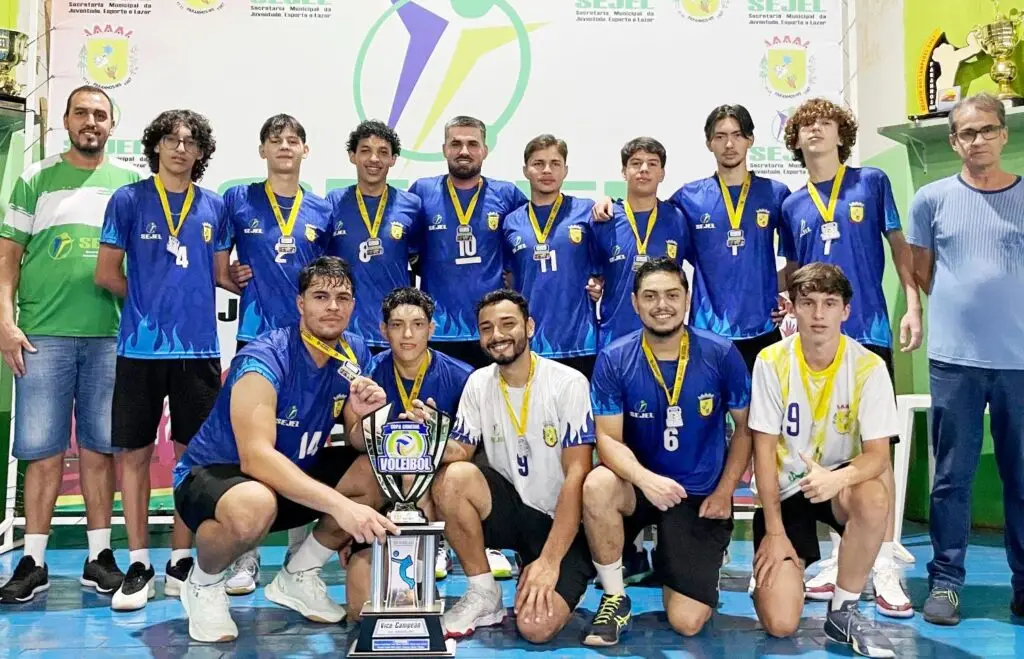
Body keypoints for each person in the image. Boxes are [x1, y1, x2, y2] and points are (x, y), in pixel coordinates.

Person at [172, 256, 396, 643]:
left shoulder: (355, 351)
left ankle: (298, 575)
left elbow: (356, 441)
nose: (332, 307)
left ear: (353, 305)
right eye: (320, 296)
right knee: (253, 505)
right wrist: (340, 507)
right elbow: (256, 458)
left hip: (288, 475)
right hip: (216, 476)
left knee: (375, 472)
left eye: (342, 298)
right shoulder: (264, 357)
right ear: (300, 303)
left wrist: (363, 417)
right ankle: (203, 583)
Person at [779, 98, 920, 617]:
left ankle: (884, 560)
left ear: (842, 135)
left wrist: (913, 304)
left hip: (868, 333)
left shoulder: (871, 182)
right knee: (827, 444)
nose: (815, 131)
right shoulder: (792, 205)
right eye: (805, 126)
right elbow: (793, 271)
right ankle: (843, 557)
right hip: (815, 343)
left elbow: (899, 246)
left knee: (874, 447)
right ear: (795, 141)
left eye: (826, 123)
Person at [94, 109, 239, 611]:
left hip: (199, 352)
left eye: (191, 141)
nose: (181, 148)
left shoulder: (214, 205)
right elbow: (106, 273)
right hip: (140, 350)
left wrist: (251, 277)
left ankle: (180, 559)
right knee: (134, 455)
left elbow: (220, 273)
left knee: (191, 460)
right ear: (155, 145)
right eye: (172, 139)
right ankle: (139, 562)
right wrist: (149, 303)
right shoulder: (128, 199)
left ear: (201, 152)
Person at [0, 87, 138, 603]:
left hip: (109, 337)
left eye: (100, 114)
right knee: (43, 452)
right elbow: (7, 258)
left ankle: (99, 557)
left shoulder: (130, 184)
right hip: (43, 337)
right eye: (81, 112)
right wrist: (5, 323)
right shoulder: (36, 178)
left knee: (100, 449)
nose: (91, 121)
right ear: (66, 120)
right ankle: (33, 561)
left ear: (111, 125)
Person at [581, 257, 751, 646]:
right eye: (651, 296)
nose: (662, 305)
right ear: (635, 302)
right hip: (639, 487)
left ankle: (684, 558)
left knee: (687, 622)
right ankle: (614, 597)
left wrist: (725, 491)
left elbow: (745, 428)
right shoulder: (614, 358)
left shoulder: (721, 353)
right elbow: (607, 439)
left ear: (687, 299)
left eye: (672, 295)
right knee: (597, 485)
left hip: (698, 494)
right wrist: (646, 480)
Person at [906, 92, 1024, 626]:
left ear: (1004, 134)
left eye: (987, 130)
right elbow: (922, 272)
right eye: (967, 133)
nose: (978, 140)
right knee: (952, 478)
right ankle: (946, 583)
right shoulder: (930, 200)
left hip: (1019, 363)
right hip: (955, 362)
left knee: (1021, 478)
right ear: (953, 142)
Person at [748, 262, 899, 658]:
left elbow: (878, 457)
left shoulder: (869, 367)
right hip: (785, 491)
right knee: (781, 625)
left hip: (836, 486)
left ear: (845, 311)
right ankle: (775, 577)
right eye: (808, 302)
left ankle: (843, 610)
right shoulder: (770, 361)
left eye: (829, 303)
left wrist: (837, 479)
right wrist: (774, 531)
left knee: (874, 495)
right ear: (792, 308)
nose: (818, 314)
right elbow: (762, 452)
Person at [431, 289, 597, 643]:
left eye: (508, 324)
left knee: (535, 628)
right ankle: (483, 592)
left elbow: (577, 476)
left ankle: (556, 572)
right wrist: (427, 437)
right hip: (515, 511)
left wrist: (549, 561)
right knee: (454, 478)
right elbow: (460, 451)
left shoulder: (568, 383)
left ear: (529, 327)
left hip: (563, 524)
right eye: (487, 328)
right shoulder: (479, 382)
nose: (497, 335)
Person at [220, 114, 333, 594]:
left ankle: (297, 558)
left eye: (293, 140)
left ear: (305, 150)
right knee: (250, 446)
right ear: (262, 150)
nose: (284, 146)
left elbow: (330, 276)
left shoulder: (323, 209)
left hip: (307, 343)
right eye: (275, 140)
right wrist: (232, 276)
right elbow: (217, 264)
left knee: (300, 444)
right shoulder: (238, 199)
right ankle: (245, 556)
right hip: (254, 338)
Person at [341, 286, 473, 619]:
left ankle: (438, 541)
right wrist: (370, 422)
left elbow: (466, 454)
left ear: (432, 328)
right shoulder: (367, 374)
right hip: (384, 492)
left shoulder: (463, 377)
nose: (408, 334)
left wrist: (432, 435)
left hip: (435, 487)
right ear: (383, 330)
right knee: (358, 612)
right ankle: (354, 541)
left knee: (438, 473)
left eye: (417, 324)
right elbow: (355, 443)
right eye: (397, 325)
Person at [671, 104, 793, 372]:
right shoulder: (688, 197)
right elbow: (648, 224)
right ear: (709, 143)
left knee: (765, 401)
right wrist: (611, 204)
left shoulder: (776, 193)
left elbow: (798, 261)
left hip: (763, 329)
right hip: (707, 332)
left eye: (737, 135)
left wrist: (771, 289)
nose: (729, 144)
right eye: (720, 136)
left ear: (750, 140)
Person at [410, 116, 528, 370]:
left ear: (485, 150)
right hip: (438, 329)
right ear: (444, 149)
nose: (464, 151)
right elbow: (405, 248)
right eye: (456, 144)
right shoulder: (422, 191)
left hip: (492, 330)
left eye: (473, 144)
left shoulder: (507, 194)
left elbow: (541, 233)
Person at [501, 134, 601, 378]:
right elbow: (509, 278)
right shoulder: (511, 221)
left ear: (565, 170)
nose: (547, 170)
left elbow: (609, 260)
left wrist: (600, 282)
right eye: (538, 163)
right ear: (525, 170)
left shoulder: (587, 210)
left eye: (555, 163)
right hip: (531, 343)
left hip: (580, 342)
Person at [327, 120, 422, 352]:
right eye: (365, 151)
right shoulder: (332, 202)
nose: (374, 159)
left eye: (383, 152)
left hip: (394, 330)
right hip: (346, 330)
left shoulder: (411, 205)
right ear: (352, 156)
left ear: (393, 159)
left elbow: (422, 261)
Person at [589, 137, 689, 351]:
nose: (644, 169)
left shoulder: (678, 218)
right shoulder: (604, 219)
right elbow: (591, 276)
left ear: (662, 173)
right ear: (624, 172)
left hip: (666, 337)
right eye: (636, 163)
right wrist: (593, 284)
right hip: (615, 338)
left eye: (652, 163)